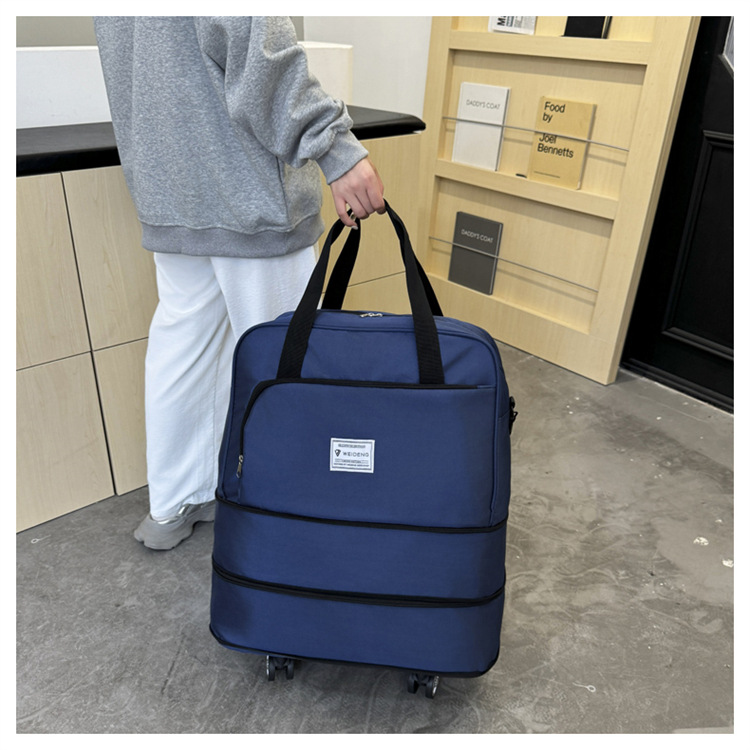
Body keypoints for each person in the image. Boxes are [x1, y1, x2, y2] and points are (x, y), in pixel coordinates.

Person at [93, 16, 385, 550]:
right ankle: (299, 511)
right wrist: (335, 148)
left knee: (184, 346)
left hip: (168, 184)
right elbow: (259, 51)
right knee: (288, 353)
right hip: (244, 185)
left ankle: (175, 503)